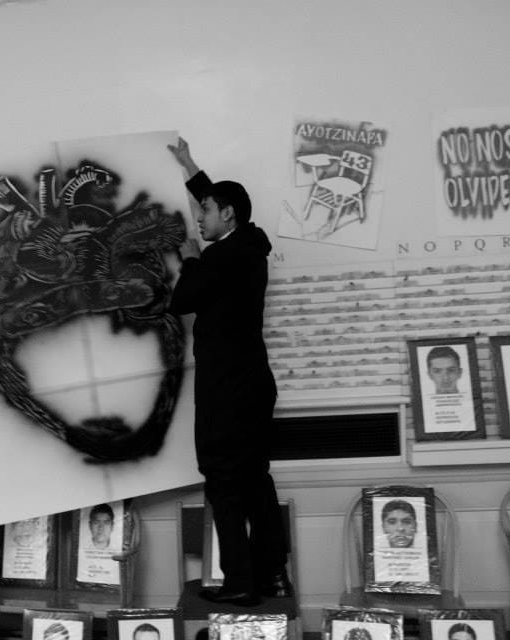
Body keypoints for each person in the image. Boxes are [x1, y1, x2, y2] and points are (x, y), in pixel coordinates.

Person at [167, 137, 289, 605]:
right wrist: (187, 164)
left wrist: (190, 256)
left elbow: (182, 301)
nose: (199, 218)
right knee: (256, 478)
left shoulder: (221, 257)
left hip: (227, 391)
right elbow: (216, 197)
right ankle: (271, 575)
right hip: (253, 385)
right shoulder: (250, 249)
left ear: (229, 216)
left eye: (207, 211)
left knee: (222, 478)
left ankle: (239, 581)